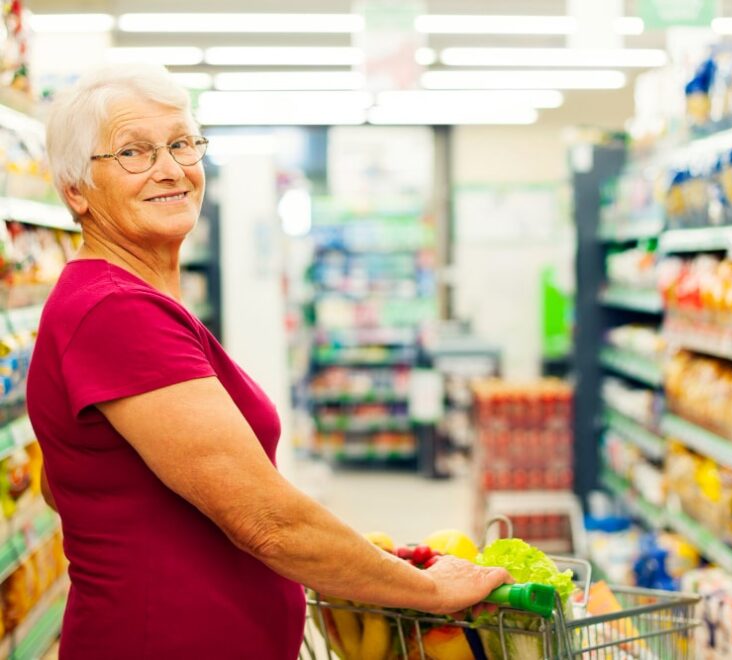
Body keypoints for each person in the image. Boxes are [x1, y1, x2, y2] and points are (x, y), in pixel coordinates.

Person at [26, 63, 511, 659]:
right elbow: (266, 522)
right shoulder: (116, 312)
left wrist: (359, 558)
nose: (171, 169)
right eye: (134, 152)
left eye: (181, 143)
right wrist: (427, 591)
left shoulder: (123, 302)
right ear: (75, 190)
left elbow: (64, 483)